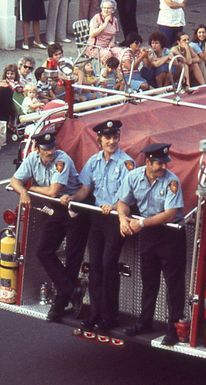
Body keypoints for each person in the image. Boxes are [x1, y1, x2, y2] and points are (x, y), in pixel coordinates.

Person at [60, 120, 134, 332]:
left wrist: (111, 206)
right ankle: (95, 314)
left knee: (108, 265)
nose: (111, 141)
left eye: (114, 137)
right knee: (94, 267)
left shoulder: (126, 163)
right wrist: (71, 198)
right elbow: (85, 190)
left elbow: (127, 196)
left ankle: (110, 317)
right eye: (107, 138)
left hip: (114, 217)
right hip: (97, 218)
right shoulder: (94, 162)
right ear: (99, 140)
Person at [10, 132, 86, 322]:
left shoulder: (63, 160)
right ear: (37, 149)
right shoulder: (32, 159)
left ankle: (59, 305)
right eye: (46, 150)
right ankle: (72, 291)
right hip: (58, 209)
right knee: (43, 251)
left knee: (72, 257)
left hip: (76, 207)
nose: (50, 152)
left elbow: (53, 191)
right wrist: (22, 191)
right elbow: (14, 180)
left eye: (52, 147)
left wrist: (31, 188)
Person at [119, 143, 186, 346]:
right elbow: (122, 201)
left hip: (170, 234)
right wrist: (122, 219)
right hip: (148, 233)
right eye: (158, 163)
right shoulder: (134, 177)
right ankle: (145, 321)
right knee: (148, 281)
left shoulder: (171, 181)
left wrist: (140, 223)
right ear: (147, 162)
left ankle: (173, 328)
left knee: (173, 285)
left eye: (165, 163)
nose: (163, 167)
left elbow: (170, 214)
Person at [86, 0, 123, 66]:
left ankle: (120, 71)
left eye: (109, 8)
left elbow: (113, 35)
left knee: (122, 52)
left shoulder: (114, 20)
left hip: (107, 47)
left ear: (113, 10)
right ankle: (106, 73)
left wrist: (112, 42)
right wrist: (105, 23)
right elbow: (92, 34)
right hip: (95, 47)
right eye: (104, 8)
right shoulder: (96, 17)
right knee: (107, 54)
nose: (106, 10)